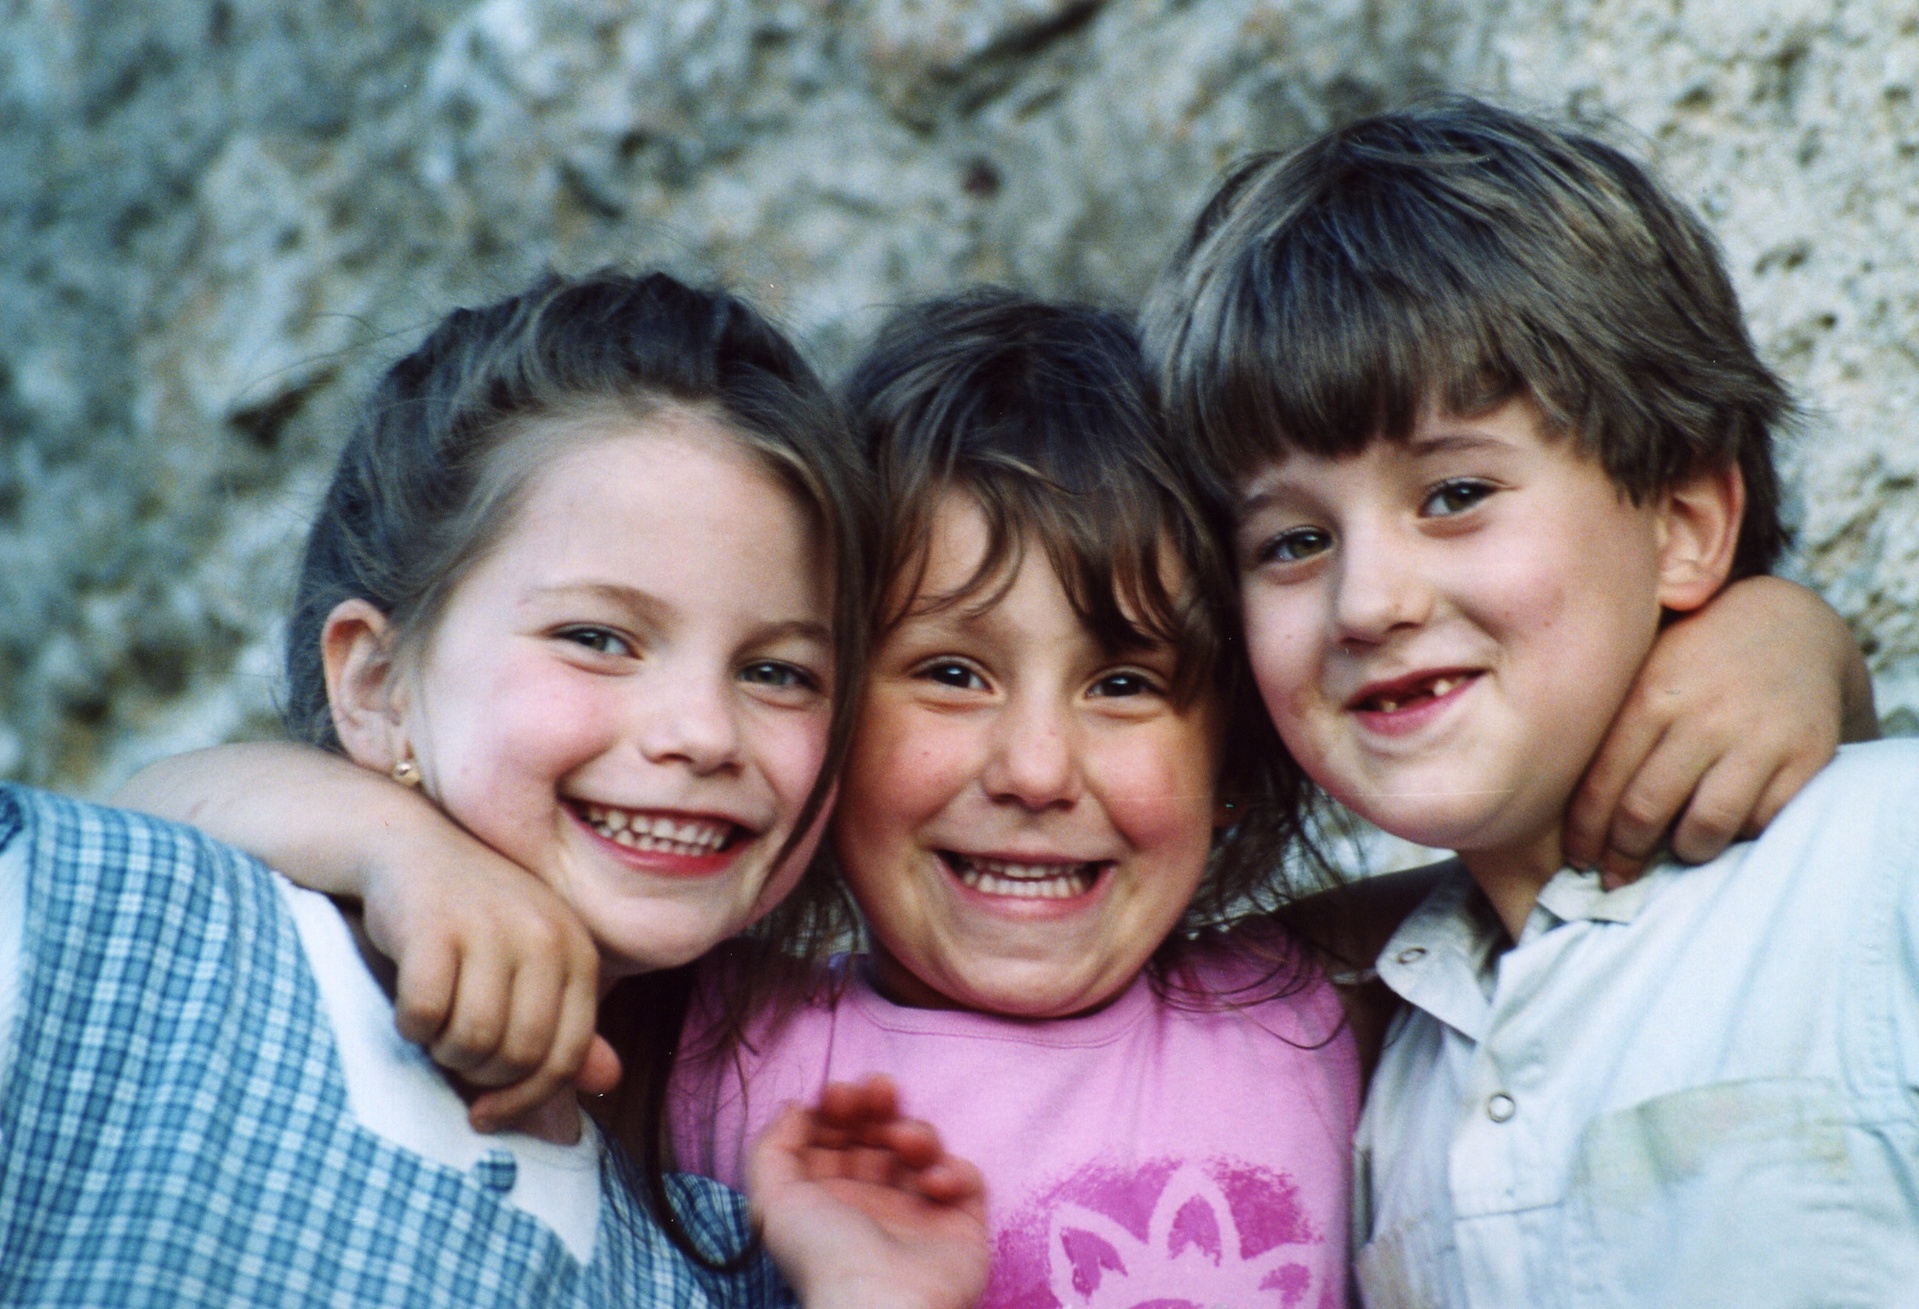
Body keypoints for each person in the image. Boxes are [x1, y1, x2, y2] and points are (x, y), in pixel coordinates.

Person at [128, 283, 1867, 1309]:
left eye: (1124, 682)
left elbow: (1552, 829)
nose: (1034, 770)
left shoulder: (1317, 1000)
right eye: (948, 670)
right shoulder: (715, 1038)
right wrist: (392, 840)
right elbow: (135, 826)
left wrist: (1778, 636)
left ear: (1236, 736)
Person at [1, 268, 989, 1308]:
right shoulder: (131, 954)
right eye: (597, 638)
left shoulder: (724, 1262)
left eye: (777, 671)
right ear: (376, 685)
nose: (703, 731)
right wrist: (395, 843)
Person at [1143, 95, 1916, 1307]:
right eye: (1290, 542)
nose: (1365, 602)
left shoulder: (1881, 868)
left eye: (1451, 494)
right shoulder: (1377, 1066)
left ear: (1684, 524)